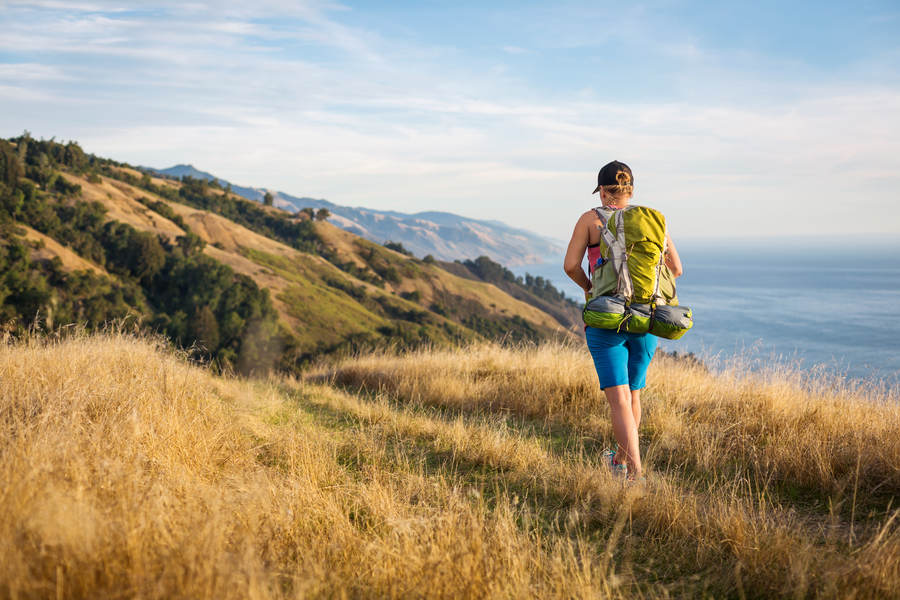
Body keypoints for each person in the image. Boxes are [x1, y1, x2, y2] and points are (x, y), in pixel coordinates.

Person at [563, 160, 682, 480]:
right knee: (633, 396)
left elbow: (570, 265)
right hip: (647, 320)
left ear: (602, 190)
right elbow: (676, 269)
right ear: (630, 191)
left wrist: (591, 289)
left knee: (618, 402)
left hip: (607, 320)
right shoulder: (654, 221)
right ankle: (618, 461)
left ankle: (634, 475)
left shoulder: (590, 219)